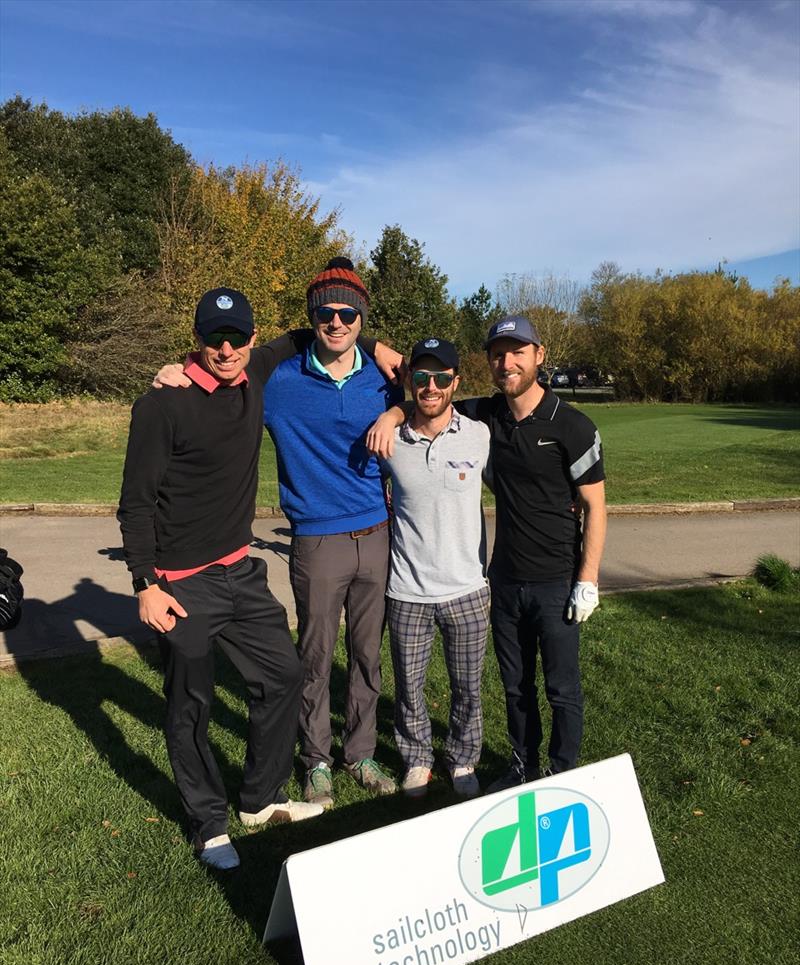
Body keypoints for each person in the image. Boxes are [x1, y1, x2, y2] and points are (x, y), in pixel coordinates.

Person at [154, 259, 404, 810]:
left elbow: (435, 395)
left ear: (362, 317)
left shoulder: (385, 379)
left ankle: (358, 753)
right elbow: (218, 381)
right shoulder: (279, 381)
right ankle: (316, 760)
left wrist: (399, 405)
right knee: (312, 659)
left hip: (378, 534)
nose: (336, 322)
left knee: (366, 656)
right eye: (325, 313)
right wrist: (178, 367)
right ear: (311, 317)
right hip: (317, 541)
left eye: (347, 313)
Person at [118, 288, 324, 872]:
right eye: (215, 339)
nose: (227, 348)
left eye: (237, 337)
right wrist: (145, 584)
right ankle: (209, 823)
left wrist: (383, 352)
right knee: (191, 704)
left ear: (253, 339)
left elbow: (315, 330)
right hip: (181, 584)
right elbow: (135, 503)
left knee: (283, 675)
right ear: (197, 340)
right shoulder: (163, 404)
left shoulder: (256, 370)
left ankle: (260, 799)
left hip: (242, 574)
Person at [367, 315, 607, 792]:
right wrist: (392, 413)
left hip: (558, 579)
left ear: (539, 356)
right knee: (515, 687)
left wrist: (589, 578)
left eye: (518, 351)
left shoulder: (573, 426)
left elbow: (595, 505)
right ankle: (522, 765)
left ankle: (562, 773)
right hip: (503, 578)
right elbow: (429, 403)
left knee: (561, 689)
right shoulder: (487, 418)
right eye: (499, 354)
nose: (508, 361)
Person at [380, 338, 491, 799]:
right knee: (409, 689)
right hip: (407, 591)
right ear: (410, 381)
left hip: (467, 590)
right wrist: (393, 414)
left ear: (455, 383)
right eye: (421, 377)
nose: (431, 387)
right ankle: (418, 758)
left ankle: (463, 759)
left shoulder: (479, 434)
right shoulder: (388, 440)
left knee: (468, 689)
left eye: (441, 378)